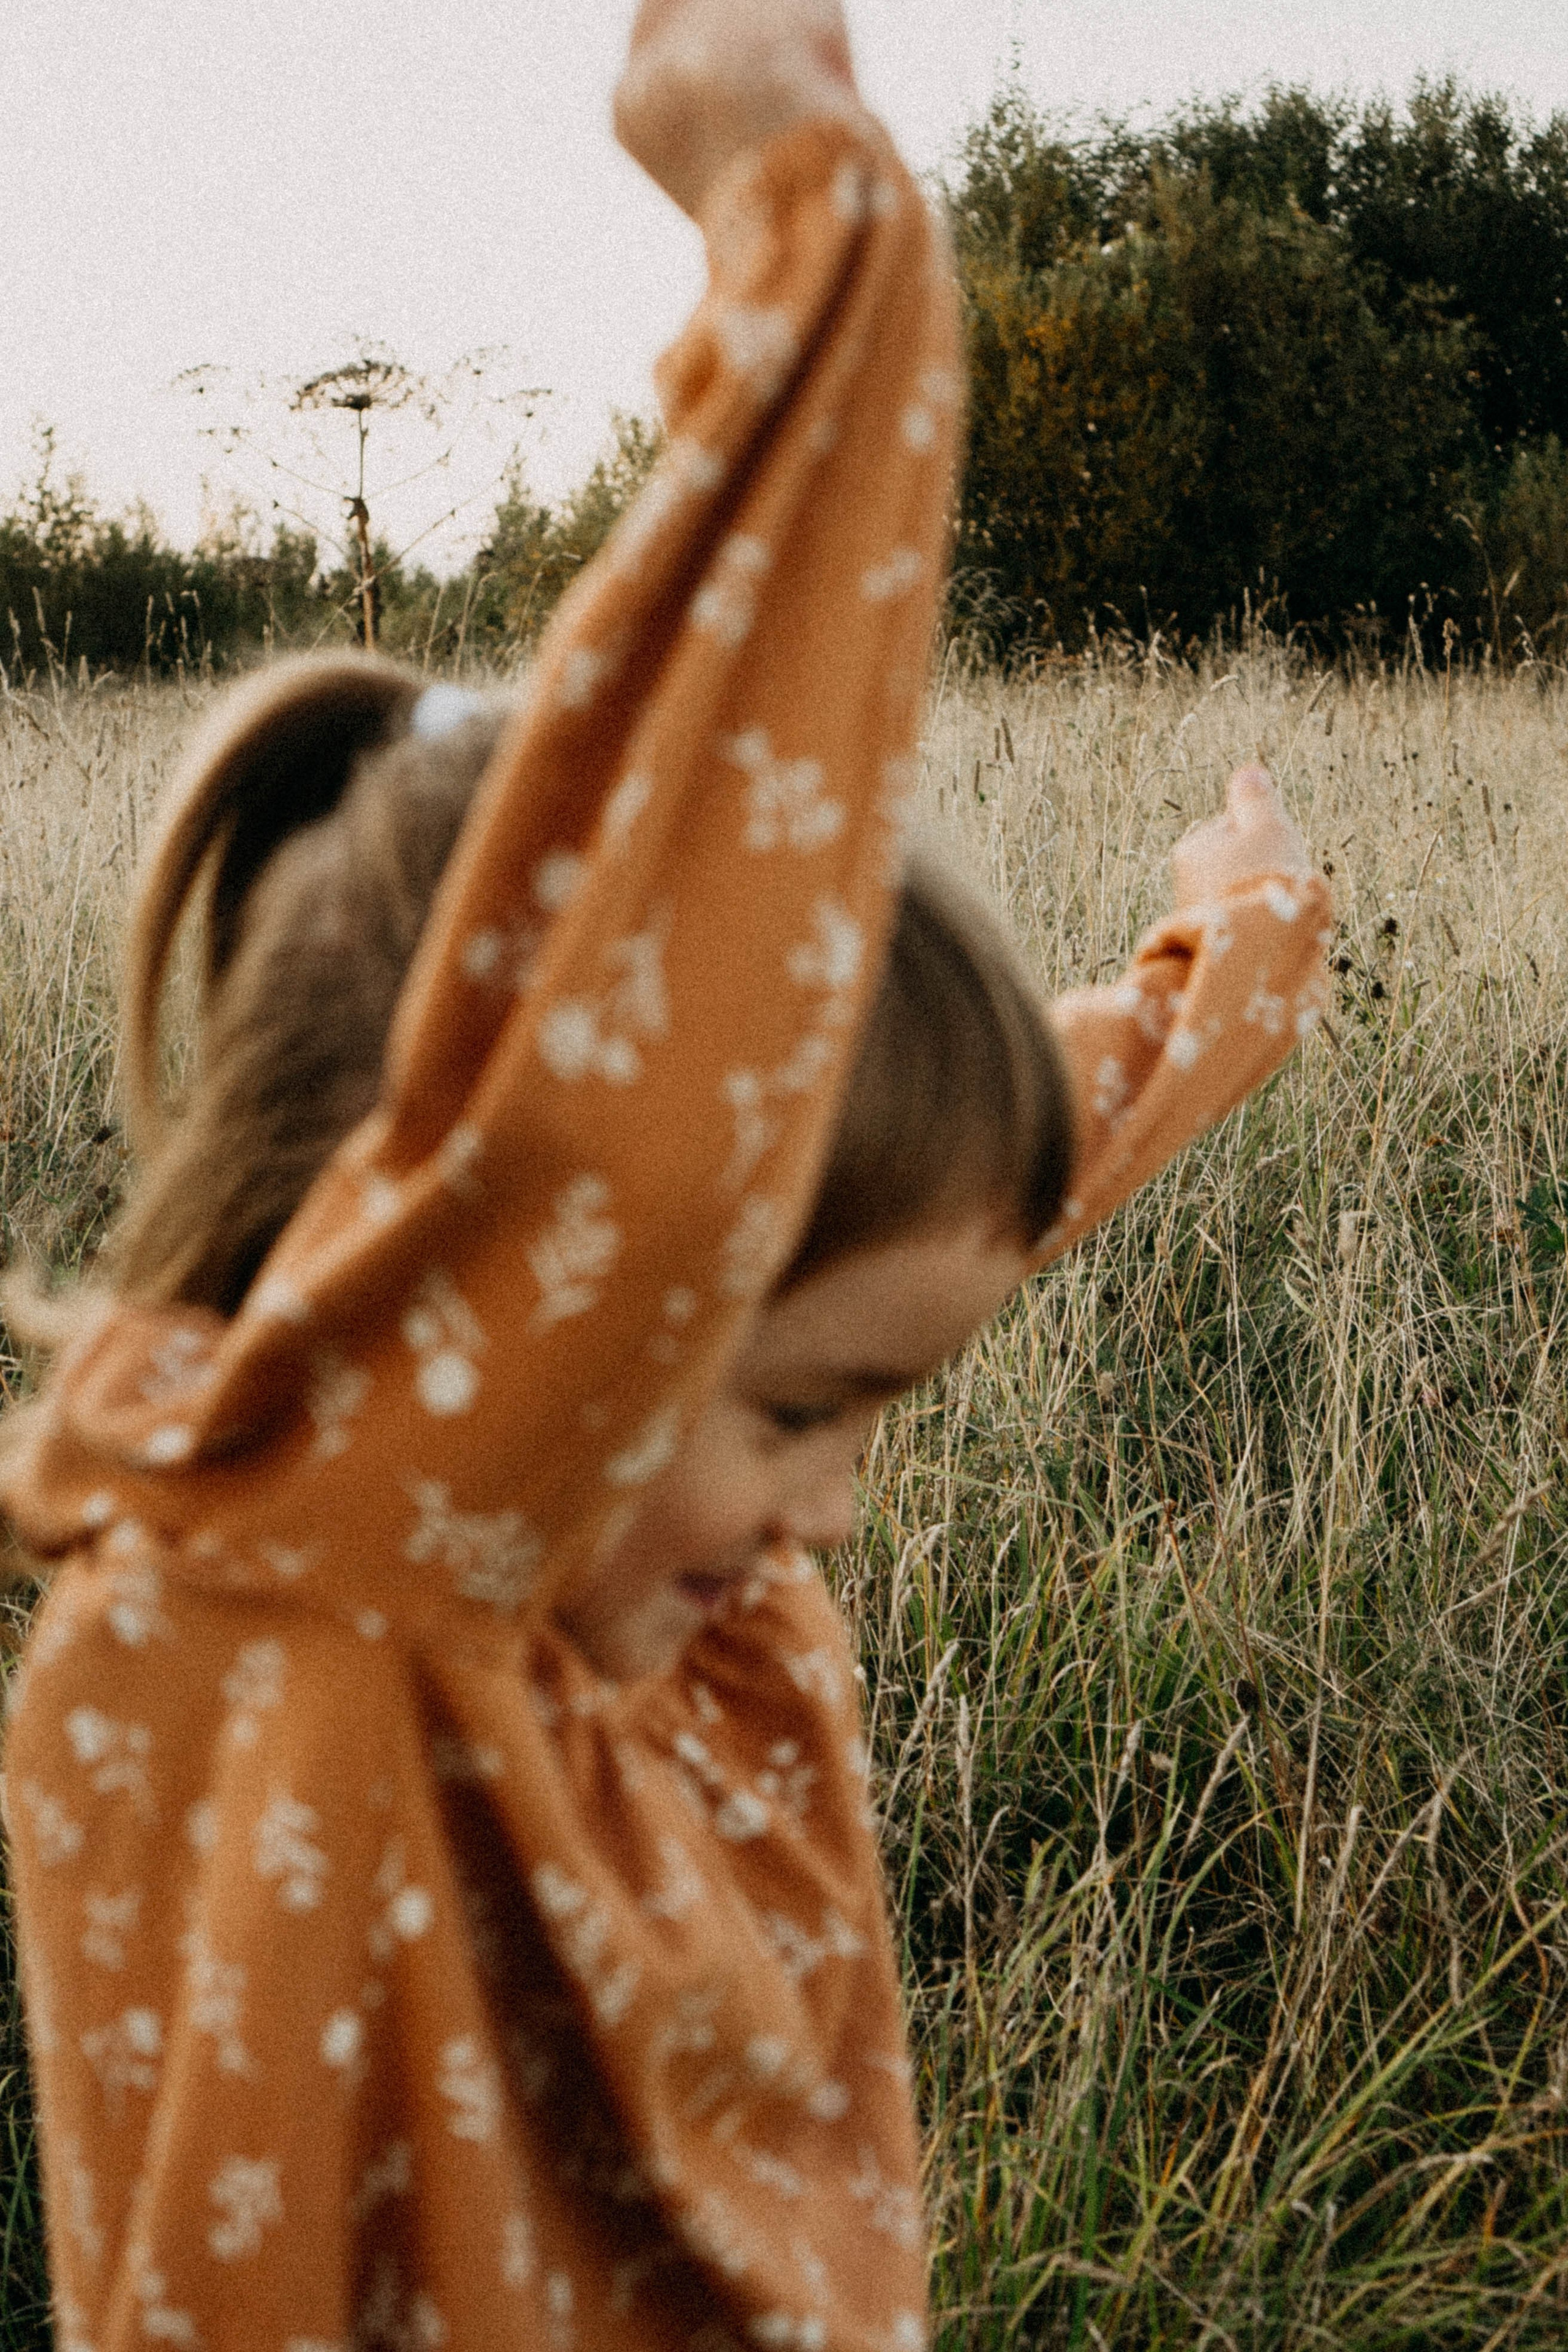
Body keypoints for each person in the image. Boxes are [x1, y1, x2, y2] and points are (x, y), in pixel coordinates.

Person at [0, 4, 1330, 2346]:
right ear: (552, 1283)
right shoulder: (314, 1614)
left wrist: (1239, 951)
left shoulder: (652, 1590)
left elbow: (1007, 1175)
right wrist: (833, 251)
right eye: (802, 1410)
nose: (830, 1514)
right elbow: (683, 1059)